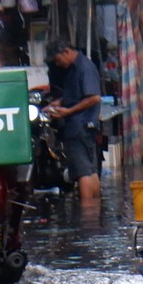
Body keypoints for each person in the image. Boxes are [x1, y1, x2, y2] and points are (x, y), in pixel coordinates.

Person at [45, 34, 103, 204]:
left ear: (66, 51)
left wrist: (68, 111)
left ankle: (87, 212)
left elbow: (94, 97)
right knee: (90, 169)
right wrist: (58, 103)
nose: (57, 64)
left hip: (81, 126)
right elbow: (75, 94)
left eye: (57, 59)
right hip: (80, 125)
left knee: (82, 171)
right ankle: (95, 208)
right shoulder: (71, 70)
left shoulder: (85, 67)